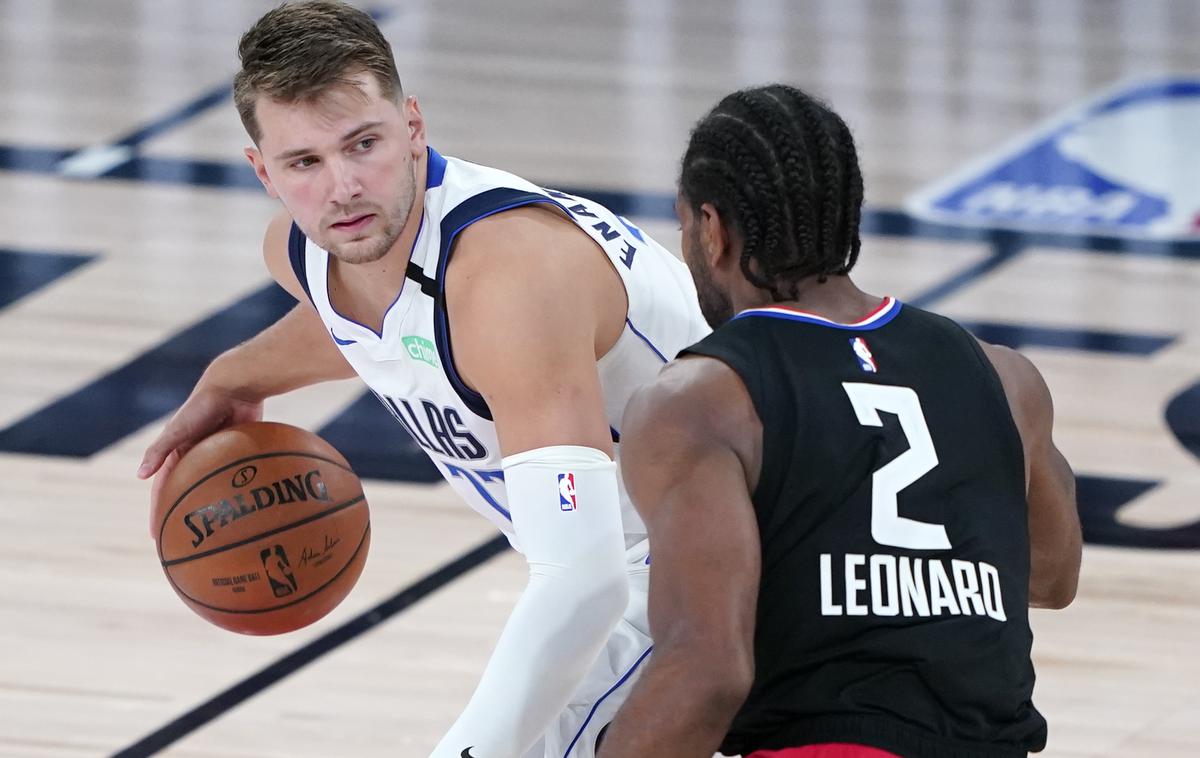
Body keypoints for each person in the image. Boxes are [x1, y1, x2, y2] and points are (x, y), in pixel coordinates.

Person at [135, 3, 710, 756]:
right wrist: (234, 372)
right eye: (304, 162)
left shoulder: (509, 279)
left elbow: (584, 580)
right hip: (652, 556)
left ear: (413, 129)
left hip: (721, 558)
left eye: (362, 145)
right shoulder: (309, 254)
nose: (342, 187)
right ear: (262, 171)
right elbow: (385, 322)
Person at [597, 84, 1082, 758]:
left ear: (711, 231)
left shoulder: (700, 399)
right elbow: (1050, 578)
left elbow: (707, 674)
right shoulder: (1005, 377)